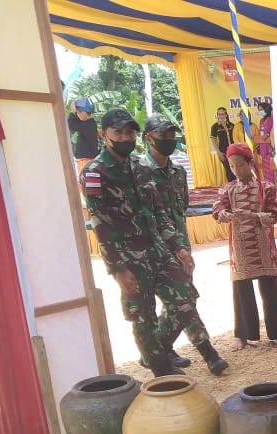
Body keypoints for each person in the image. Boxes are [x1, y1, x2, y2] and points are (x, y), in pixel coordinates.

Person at [82, 108, 228, 377]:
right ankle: (164, 376)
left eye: (129, 132)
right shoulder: (95, 172)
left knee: (185, 300)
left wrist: (179, 248)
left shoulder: (140, 167)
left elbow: (159, 212)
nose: (125, 137)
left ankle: (155, 352)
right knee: (143, 318)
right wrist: (118, 270)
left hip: (159, 251)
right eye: (119, 133)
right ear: (105, 135)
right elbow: (100, 224)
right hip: (129, 260)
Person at [213, 143, 277, 351]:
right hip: (240, 248)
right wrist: (223, 214)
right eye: (232, 166)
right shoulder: (227, 189)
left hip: (263, 247)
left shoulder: (267, 188)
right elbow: (218, 208)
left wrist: (253, 216)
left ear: (250, 164)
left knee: (270, 290)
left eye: (240, 165)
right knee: (241, 291)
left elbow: (274, 214)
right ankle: (243, 336)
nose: (236, 170)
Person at [141, 114, 194, 370]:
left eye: (172, 136)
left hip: (180, 242)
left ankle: (163, 349)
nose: (169, 141)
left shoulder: (178, 171)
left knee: (182, 300)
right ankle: (155, 350)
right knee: (170, 299)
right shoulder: (141, 171)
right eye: (164, 136)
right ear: (148, 138)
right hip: (157, 246)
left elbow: (183, 204)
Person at [67, 98, 99, 176]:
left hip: (86, 161)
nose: (77, 115)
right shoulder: (89, 123)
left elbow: (71, 125)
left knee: (83, 185)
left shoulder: (88, 126)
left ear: (83, 112)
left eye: (78, 113)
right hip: (86, 160)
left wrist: (72, 112)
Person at [209, 107, 237, 182]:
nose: (221, 116)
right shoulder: (215, 127)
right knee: (228, 170)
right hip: (223, 152)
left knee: (236, 170)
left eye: (223, 114)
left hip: (234, 152)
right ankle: (231, 187)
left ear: (226, 115)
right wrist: (218, 152)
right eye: (219, 114)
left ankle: (237, 187)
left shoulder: (232, 125)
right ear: (217, 115)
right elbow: (213, 139)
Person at [255, 101, 276, 186]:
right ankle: (267, 185)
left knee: (271, 167)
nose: (260, 111)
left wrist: (267, 134)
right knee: (265, 167)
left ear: (267, 110)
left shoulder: (272, 120)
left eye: (261, 109)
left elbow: (274, 131)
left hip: (270, 146)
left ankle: (272, 185)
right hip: (262, 145)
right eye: (259, 110)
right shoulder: (261, 120)